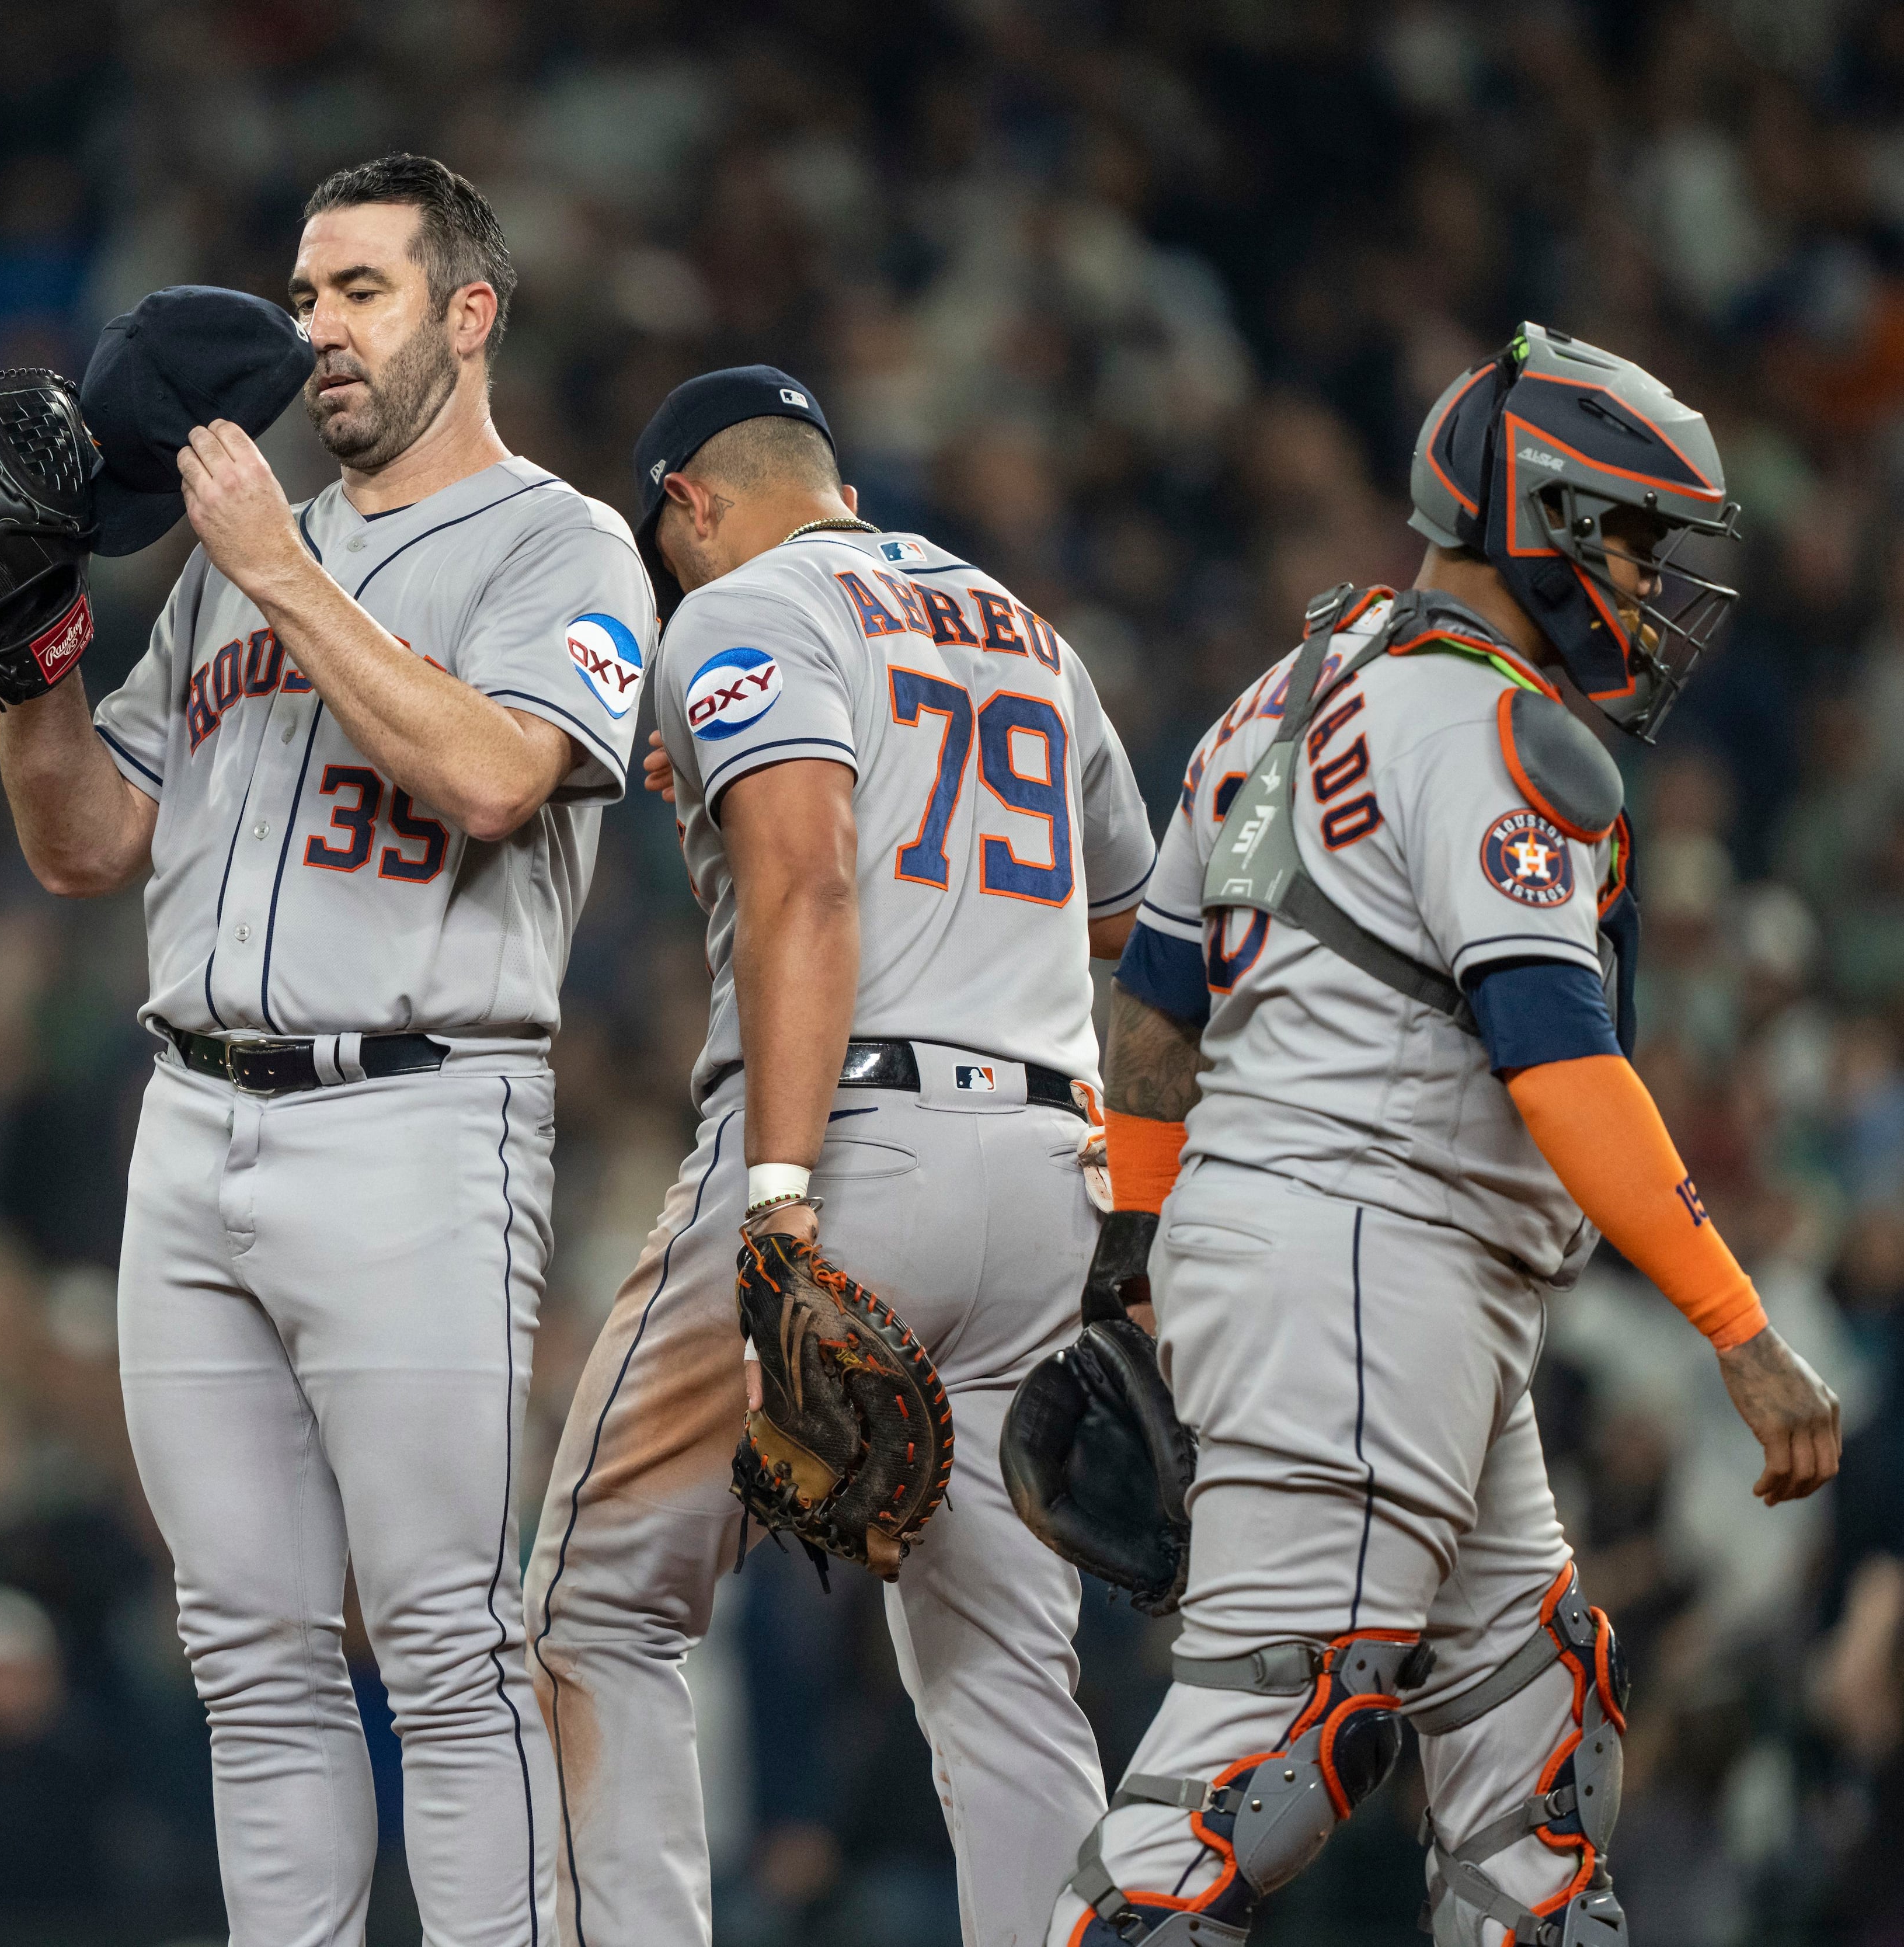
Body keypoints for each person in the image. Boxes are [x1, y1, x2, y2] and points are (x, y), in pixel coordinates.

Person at [1048, 325, 1843, 1947]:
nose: (1645, 579)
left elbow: (1151, 1018)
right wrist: (1740, 1330)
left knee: (1532, 1746)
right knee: (1270, 1746)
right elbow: (1559, 1066)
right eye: (1626, 536)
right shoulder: (1485, 729)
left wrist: (1137, 1261)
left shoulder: (1276, 699)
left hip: (1357, 1263)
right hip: (1367, 1252)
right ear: (1540, 517)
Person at [0, 154, 655, 1944]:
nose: (320, 333)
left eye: (361, 290)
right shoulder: (233, 568)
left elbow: (507, 774)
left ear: (469, 312)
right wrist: (28, 654)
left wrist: (282, 572)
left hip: (418, 1117)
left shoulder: (558, 541)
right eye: (303, 295)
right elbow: (81, 842)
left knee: (442, 1635)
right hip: (192, 1124)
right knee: (252, 1654)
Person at [524, 366, 1157, 1947]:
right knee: (1010, 1675)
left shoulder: (743, 606)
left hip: (850, 1149)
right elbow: (1138, 942)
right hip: (1050, 1169)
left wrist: (782, 1202)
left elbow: (809, 889)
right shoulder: (1028, 632)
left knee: (598, 1600)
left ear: (691, 503)